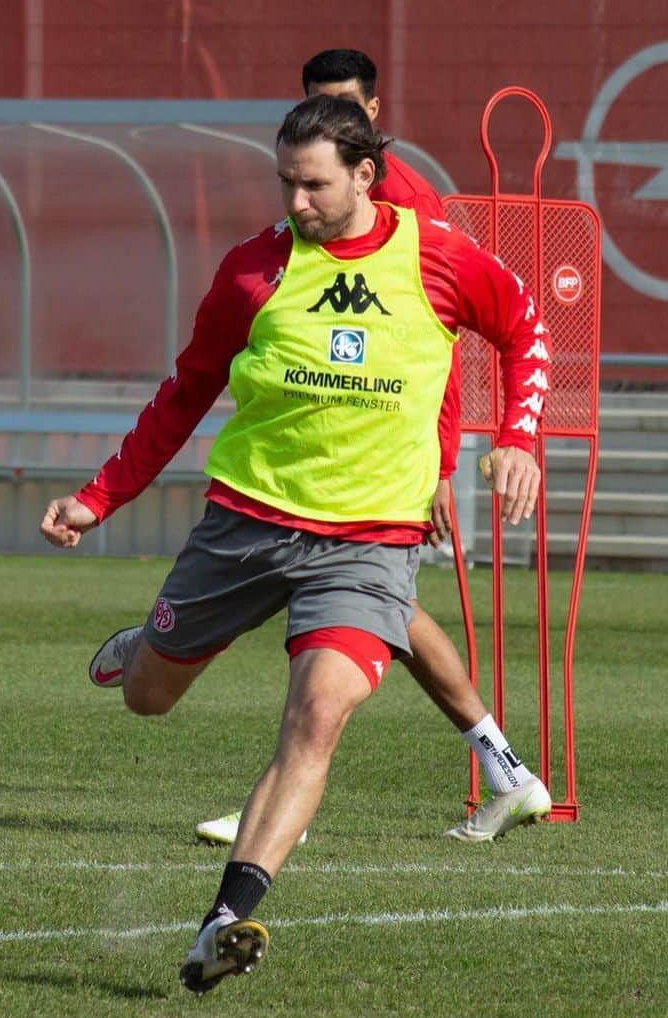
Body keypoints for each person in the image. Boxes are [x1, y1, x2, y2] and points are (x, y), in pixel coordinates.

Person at [41, 93, 550, 993]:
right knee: (152, 699)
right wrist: (98, 499)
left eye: (313, 185)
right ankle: (146, 647)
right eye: (286, 183)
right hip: (246, 525)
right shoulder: (253, 272)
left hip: (368, 544)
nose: (297, 203)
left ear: (366, 173)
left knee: (315, 718)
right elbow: (185, 393)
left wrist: (517, 438)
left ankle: (226, 919)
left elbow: (524, 328)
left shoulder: (437, 256)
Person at [194, 47, 548, 848]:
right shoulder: (305, 206)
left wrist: (440, 463)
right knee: (385, 614)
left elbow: (436, 340)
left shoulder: (408, 204)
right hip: (332, 464)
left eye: (348, 106)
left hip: (389, 460)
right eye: (320, 103)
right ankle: (505, 768)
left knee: (356, 622)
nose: (335, 120)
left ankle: (293, 798)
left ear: (374, 124)